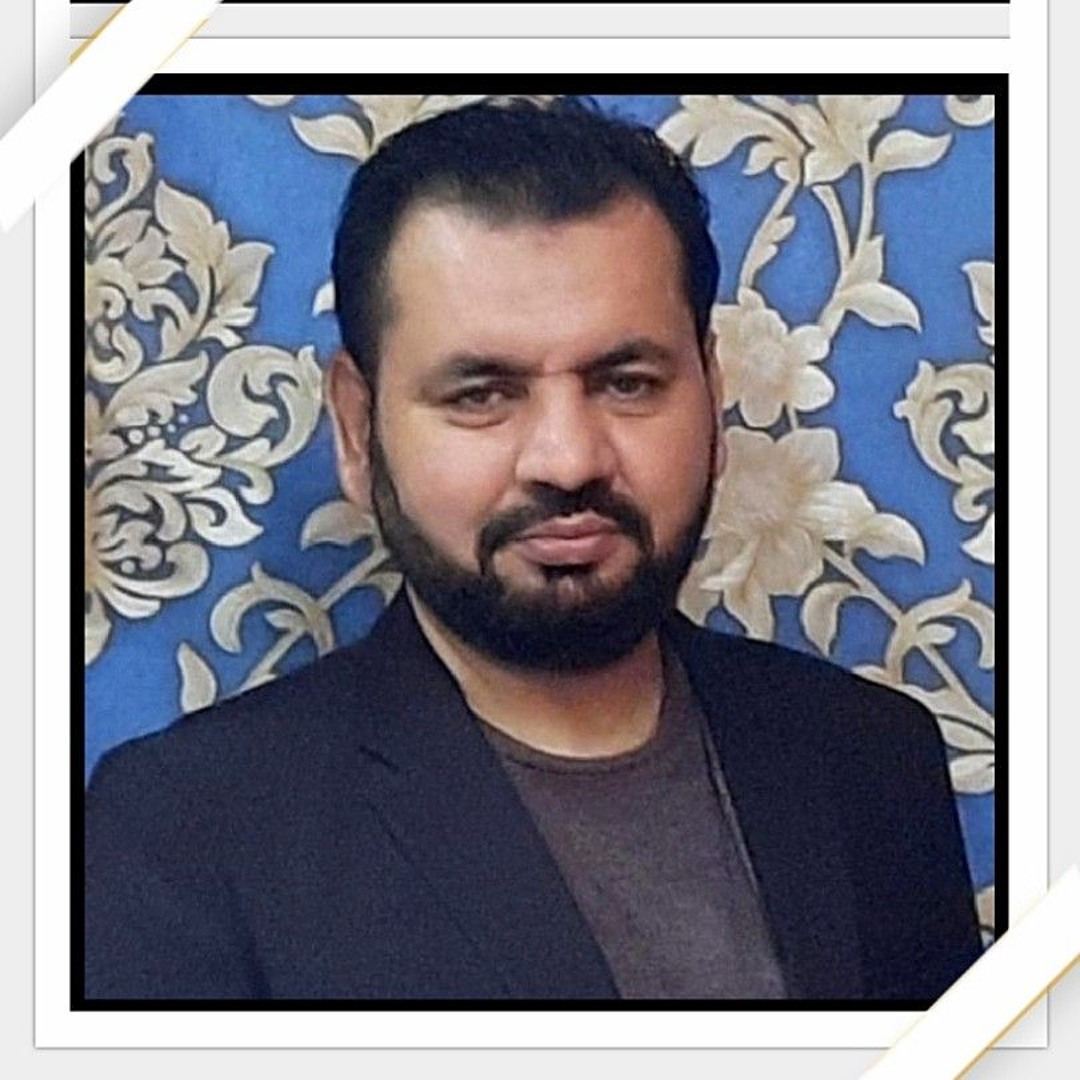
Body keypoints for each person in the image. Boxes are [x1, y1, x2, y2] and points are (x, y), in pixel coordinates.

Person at [84, 98, 983, 1002]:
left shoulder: (872, 758)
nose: (568, 459)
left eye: (628, 383)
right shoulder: (186, 833)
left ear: (711, 393)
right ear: (358, 428)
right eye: (481, 395)